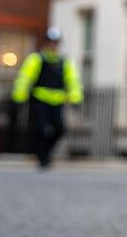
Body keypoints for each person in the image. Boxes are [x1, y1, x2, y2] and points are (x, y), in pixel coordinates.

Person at [11, 27, 84, 169]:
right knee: (40, 129)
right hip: (40, 100)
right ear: (46, 43)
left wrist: (76, 98)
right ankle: (42, 157)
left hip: (58, 101)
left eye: (55, 42)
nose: (53, 45)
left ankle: (45, 153)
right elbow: (25, 78)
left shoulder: (64, 62)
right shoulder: (36, 59)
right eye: (50, 42)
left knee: (59, 129)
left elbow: (73, 80)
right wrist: (19, 97)